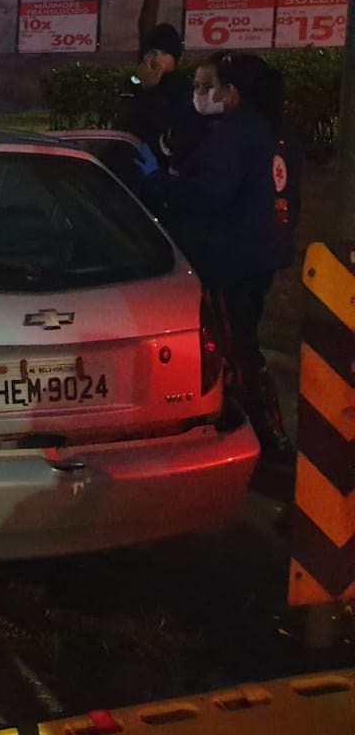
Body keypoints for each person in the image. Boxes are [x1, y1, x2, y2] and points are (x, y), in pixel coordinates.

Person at [146, 53, 299, 462]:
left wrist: (160, 184)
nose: (200, 95)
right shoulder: (267, 129)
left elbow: (211, 194)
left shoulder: (233, 133)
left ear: (230, 92)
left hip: (231, 258)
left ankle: (268, 442)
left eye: (206, 86)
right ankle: (250, 430)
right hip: (260, 255)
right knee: (239, 341)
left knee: (238, 347)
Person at [118, 23, 195, 167]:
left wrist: (150, 90)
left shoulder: (181, 88)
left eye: (163, 53)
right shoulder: (135, 87)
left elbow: (167, 125)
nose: (155, 60)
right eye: (151, 54)